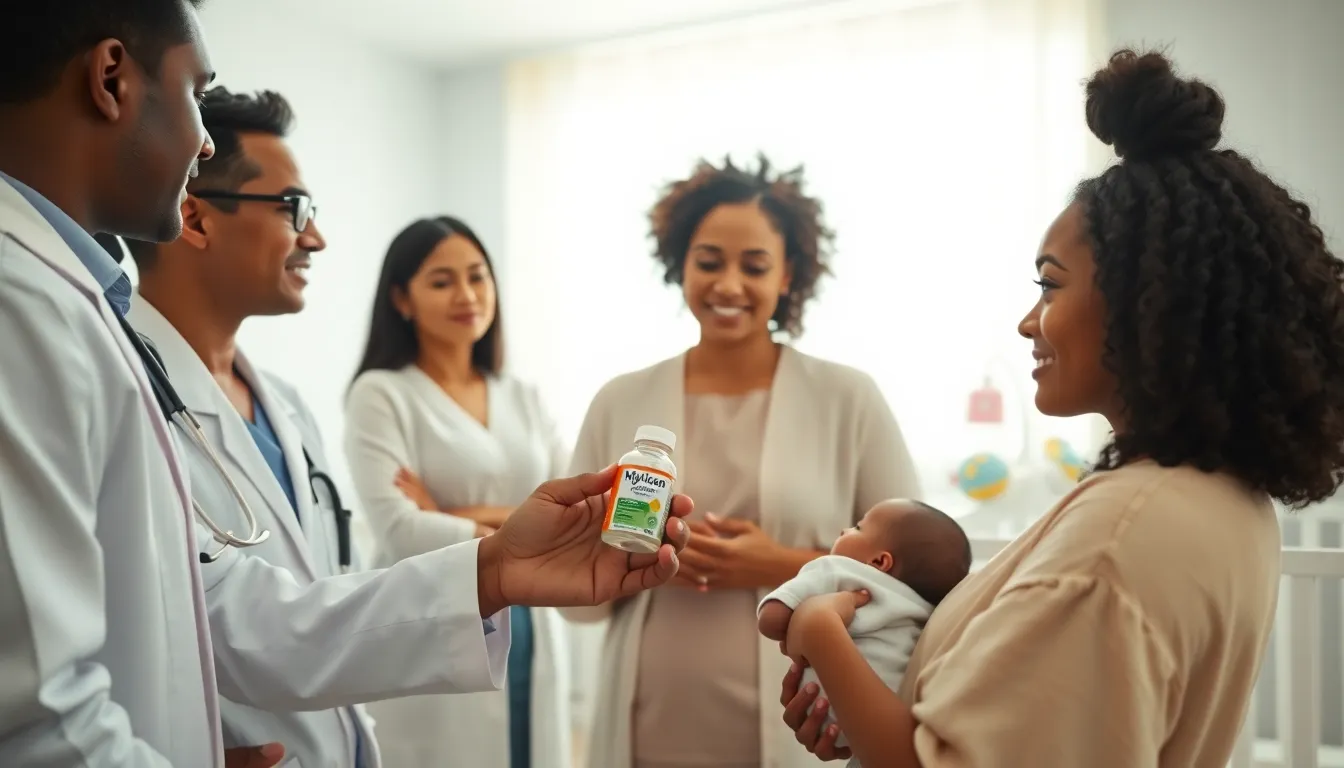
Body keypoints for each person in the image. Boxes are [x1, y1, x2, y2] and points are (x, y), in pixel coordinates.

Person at [0, 4, 693, 766]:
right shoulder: (22, 306)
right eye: (197, 92)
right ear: (110, 79)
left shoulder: (87, 316)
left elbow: (231, 611)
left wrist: (493, 569)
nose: (199, 140)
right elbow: (37, 722)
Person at [778, 49, 1344, 768]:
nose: (1026, 321)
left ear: (1150, 303)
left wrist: (825, 632)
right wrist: (867, 697)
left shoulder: (1117, 541)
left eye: (1050, 285)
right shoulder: (1210, 497)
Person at [566, 155, 922, 768]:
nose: (728, 284)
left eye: (754, 266)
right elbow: (576, 595)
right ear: (680, 264)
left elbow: (915, 579)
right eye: (709, 262)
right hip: (651, 722)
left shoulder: (848, 398)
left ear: (788, 276)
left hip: (804, 726)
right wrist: (637, 558)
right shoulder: (620, 399)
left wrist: (777, 564)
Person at [117, 83, 382, 766]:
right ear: (196, 219)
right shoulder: (119, 394)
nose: (315, 237)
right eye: (295, 209)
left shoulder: (288, 408)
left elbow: (324, 602)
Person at [344, 216, 573, 768]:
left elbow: (575, 512)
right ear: (402, 298)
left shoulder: (522, 395)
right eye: (442, 281)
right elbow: (399, 530)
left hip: (532, 623)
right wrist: (527, 525)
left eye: (477, 276)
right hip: (437, 619)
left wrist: (453, 513)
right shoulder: (382, 394)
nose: (466, 295)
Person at [757, 499, 970, 765]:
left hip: (824, 716)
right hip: (893, 730)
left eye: (858, 527)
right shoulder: (928, 614)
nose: (844, 531)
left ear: (880, 561)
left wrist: (798, 626)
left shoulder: (836, 569)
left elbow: (771, 620)